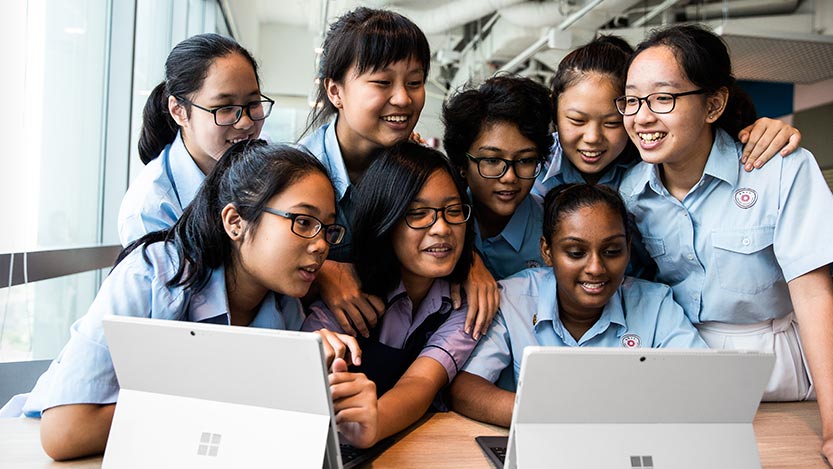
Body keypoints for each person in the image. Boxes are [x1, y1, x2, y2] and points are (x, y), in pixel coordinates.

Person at [23, 141, 378, 460]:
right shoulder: (153, 274)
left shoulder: (284, 305)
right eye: (302, 221)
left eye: (328, 228)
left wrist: (337, 409)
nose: (321, 244)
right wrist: (245, 385)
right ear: (235, 222)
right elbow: (65, 433)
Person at [617, 24, 833, 461]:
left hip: (780, 362)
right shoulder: (630, 193)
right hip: (682, 364)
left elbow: (813, 295)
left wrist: (832, 428)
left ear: (713, 104)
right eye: (632, 99)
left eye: (663, 98)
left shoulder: (780, 171)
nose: (642, 117)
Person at [299, 7, 497, 340]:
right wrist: (323, 271)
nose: (403, 98)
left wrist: (471, 262)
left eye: (415, 82)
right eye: (382, 83)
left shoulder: (423, 166)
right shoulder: (297, 175)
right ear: (336, 92)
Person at [449, 183, 707, 427]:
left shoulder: (655, 304)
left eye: (612, 251)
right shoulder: (513, 300)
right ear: (547, 251)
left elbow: (701, 384)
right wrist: (557, 415)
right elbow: (466, 388)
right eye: (575, 253)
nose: (596, 268)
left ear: (628, 249)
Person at [303, 142, 479, 447]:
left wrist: (373, 424)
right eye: (418, 214)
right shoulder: (346, 294)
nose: (441, 228)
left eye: (452, 211)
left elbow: (422, 381)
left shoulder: (462, 303)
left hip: (407, 445)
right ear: (384, 221)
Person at [533, 35, 802, 198]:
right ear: (554, 111)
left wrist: (766, 130)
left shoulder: (652, 160)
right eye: (577, 121)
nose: (592, 138)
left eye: (613, 122)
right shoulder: (528, 164)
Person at [118, 33, 271, 246]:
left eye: (253, 103)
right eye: (225, 108)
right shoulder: (151, 209)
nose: (245, 122)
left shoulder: (263, 154)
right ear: (179, 111)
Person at [442, 75, 552, 280]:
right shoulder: (440, 223)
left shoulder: (553, 231)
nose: (509, 177)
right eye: (492, 160)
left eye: (525, 160)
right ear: (462, 164)